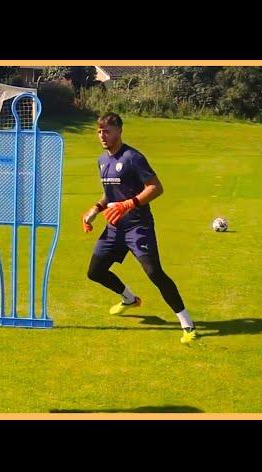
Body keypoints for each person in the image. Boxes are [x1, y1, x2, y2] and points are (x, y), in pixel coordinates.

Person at [82, 112, 197, 344]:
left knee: (154, 272)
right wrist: (93, 211)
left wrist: (129, 204)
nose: (103, 136)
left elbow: (156, 187)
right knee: (95, 272)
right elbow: (109, 194)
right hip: (114, 227)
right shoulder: (102, 161)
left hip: (138, 226)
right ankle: (129, 299)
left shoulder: (133, 158)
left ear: (119, 132)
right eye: (99, 131)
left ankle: (187, 322)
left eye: (107, 131)